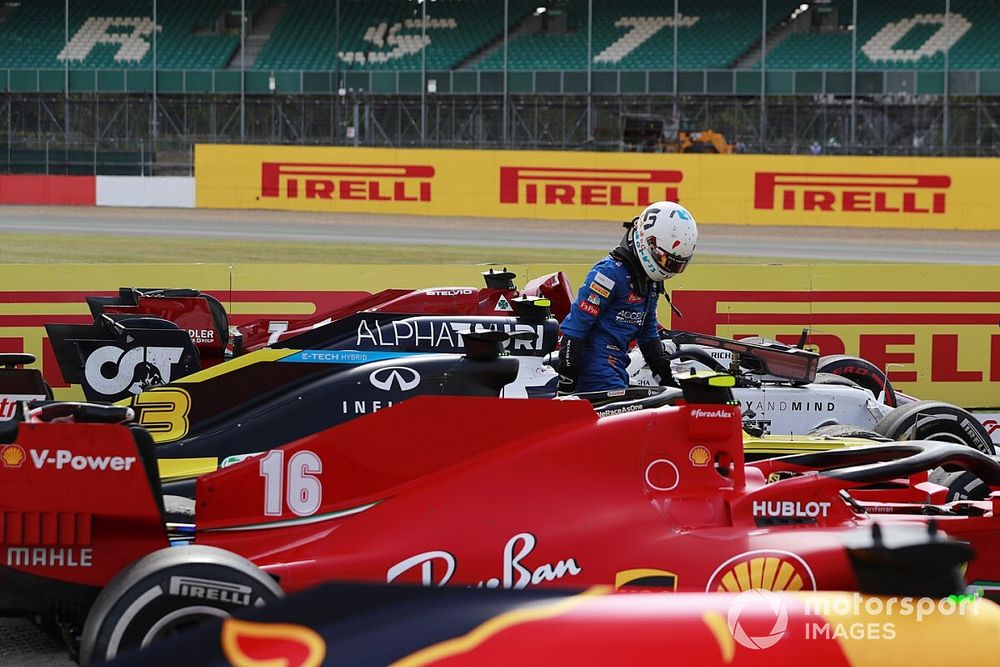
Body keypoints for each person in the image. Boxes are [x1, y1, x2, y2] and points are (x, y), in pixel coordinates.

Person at [557, 201, 697, 394]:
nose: (669, 270)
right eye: (666, 261)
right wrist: (566, 386)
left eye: (676, 265)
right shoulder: (608, 274)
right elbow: (575, 329)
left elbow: (648, 335)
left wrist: (668, 382)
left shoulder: (650, 282)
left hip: (618, 366)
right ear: (648, 242)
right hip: (595, 370)